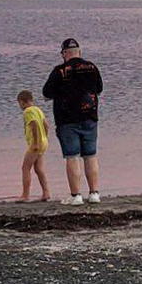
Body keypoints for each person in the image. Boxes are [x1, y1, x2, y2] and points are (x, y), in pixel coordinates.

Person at [42, 37, 103, 205]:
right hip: (90, 117)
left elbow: (46, 93)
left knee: (72, 156)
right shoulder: (92, 67)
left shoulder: (59, 71)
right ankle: (94, 193)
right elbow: (99, 89)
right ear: (80, 52)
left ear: (64, 54)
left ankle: (76, 195)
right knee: (90, 155)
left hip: (67, 119)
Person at [16, 90, 51, 202]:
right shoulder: (37, 109)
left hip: (35, 144)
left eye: (20, 104)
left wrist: (36, 142)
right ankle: (46, 192)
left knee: (25, 168)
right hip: (44, 142)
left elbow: (34, 124)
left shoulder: (28, 112)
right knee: (39, 169)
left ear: (22, 102)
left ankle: (25, 195)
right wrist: (45, 137)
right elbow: (46, 124)